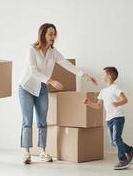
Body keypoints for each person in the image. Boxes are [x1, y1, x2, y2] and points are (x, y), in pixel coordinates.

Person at [19, 23, 98, 164]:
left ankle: (43, 151)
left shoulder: (53, 52)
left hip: (42, 88)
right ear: (42, 34)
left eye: (54, 34)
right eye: (50, 34)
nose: (53, 37)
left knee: (43, 121)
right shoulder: (31, 49)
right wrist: (51, 80)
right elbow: (33, 71)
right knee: (27, 121)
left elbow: (67, 64)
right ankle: (26, 152)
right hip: (26, 87)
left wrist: (84, 75)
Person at [83, 66, 133, 170]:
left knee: (116, 138)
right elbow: (98, 106)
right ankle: (129, 150)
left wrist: (117, 103)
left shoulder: (115, 89)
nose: (101, 76)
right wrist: (88, 103)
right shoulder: (103, 91)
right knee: (113, 141)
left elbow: (125, 100)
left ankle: (123, 160)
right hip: (109, 119)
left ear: (109, 76)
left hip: (118, 117)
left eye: (103, 74)